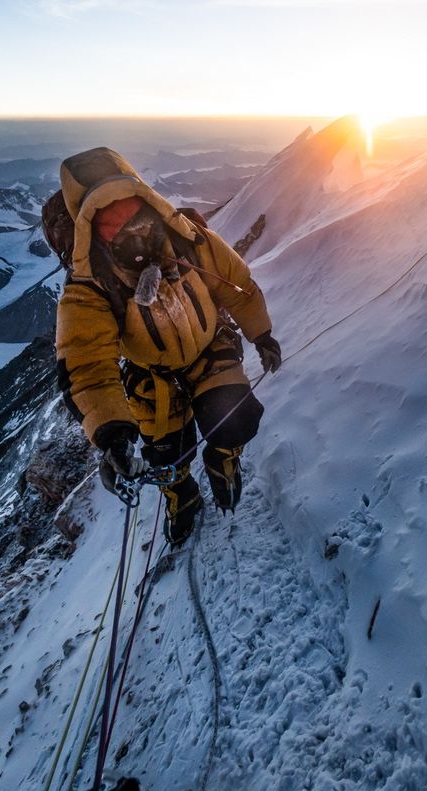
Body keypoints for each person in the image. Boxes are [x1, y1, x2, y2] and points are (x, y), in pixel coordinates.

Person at [52, 147, 281, 545]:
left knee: (237, 416)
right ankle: (182, 495)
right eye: (109, 220)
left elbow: (235, 284)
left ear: (145, 199)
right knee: (165, 454)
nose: (128, 225)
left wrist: (261, 333)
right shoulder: (92, 287)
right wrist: (111, 434)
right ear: (90, 228)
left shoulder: (189, 240)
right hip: (152, 377)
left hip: (209, 349)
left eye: (129, 207)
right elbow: (87, 362)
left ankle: (223, 458)